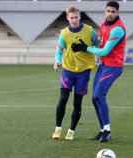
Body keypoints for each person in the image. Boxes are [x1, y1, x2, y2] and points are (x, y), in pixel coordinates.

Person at [71, 0, 126, 142]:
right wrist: (87, 45)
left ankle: (107, 131)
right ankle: (103, 130)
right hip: (103, 66)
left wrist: (85, 48)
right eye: (108, 11)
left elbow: (106, 50)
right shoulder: (103, 25)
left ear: (117, 12)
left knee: (98, 95)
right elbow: (100, 44)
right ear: (105, 11)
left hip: (114, 66)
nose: (110, 14)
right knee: (95, 98)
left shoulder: (118, 29)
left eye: (113, 11)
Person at [52, 6, 98, 141]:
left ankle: (71, 130)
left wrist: (95, 53)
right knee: (63, 99)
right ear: (67, 18)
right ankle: (58, 128)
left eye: (76, 17)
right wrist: (57, 61)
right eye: (71, 17)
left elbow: (98, 44)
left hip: (83, 72)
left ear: (80, 17)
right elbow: (59, 50)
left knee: (77, 103)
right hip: (68, 70)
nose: (74, 20)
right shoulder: (64, 33)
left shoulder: (89, 31)